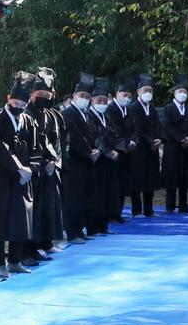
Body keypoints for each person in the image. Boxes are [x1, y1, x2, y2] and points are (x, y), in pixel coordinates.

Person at [0, 72, 41, 278]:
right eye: (16, 102)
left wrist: (31, 169)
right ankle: (0, 263)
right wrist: (18, 167)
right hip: (2, 177)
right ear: (9, 98)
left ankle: (15, 260)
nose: (19, 107)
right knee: (0, 221)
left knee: (21, 220)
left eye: (23, 104)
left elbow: (36, 149)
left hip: (23, 178)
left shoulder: (28, 121)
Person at [25, 67, 64, 261]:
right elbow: (30, 143)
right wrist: (40, 163)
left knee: (50, 206)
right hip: (34, 169)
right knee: (36, 209)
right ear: (31, 93)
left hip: (50, 168)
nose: (43, 97)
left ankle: (48, 242)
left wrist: (55, 162)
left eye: (46, 94)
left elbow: (56, 142)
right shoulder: (26, 114)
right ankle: (34, 245)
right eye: (39, 94)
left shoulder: (50, 115)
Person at [61, 74, 99, 244]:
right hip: (75, 160)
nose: (84, 99)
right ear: (74, 96)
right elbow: (74, 137)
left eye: (87, 97)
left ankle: (80, 229)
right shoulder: (69, 113)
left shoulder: (87, 114)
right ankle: (72, 231)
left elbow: (93, 134)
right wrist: (88, 152)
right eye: (81, 96)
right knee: (73, 197)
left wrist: (96, 149)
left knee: (84, 195)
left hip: (86, 161)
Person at [87, 78, 122, 233]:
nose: (102, 103)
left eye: (104, 100)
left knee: (108, 193)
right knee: (96, 194)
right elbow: (95, 137)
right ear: (92, 100)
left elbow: (113, 134)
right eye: (99, 100)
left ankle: (104, 225)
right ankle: (93, 227)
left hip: (108, 162)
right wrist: (107, 151)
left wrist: (115, 149)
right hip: (97, 161)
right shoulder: (89, 116)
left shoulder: (106, 116)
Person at [161, 74, 188, 213]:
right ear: (174, 93)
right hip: (172, 147)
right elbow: (167, 127)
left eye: (185, 92)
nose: (182, 94)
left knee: (185, 177)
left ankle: (183, 205)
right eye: (180, 92)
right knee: (172, 176)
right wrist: (180, 139)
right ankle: (170, 205)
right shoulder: (168, 109)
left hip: (187, 148)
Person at [127, 74, 163, 217]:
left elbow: (159, 126)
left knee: (150, 180)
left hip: (152, 149)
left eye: (150, 90)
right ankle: (136, 210)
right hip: (139, 148)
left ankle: (149, 209)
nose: (148, 93)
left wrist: (160, 139)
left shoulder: (152, 109)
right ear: (138, 92)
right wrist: (150, 141)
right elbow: (137, 128)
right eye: (145, 90)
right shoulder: (133, 108)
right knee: (137, 179)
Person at [106, 76, 137, 221]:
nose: (126, 97)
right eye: (124, 94)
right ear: (117, 93)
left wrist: (133, 142)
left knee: (123, 183)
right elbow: (114, 130)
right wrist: (125, 144)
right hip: (115, 151)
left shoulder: (129, 110)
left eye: (129, 95)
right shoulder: (110, 110)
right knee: (114, 183)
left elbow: (135, 128)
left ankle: (118, 212)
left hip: (127, 152)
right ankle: (111, 212)